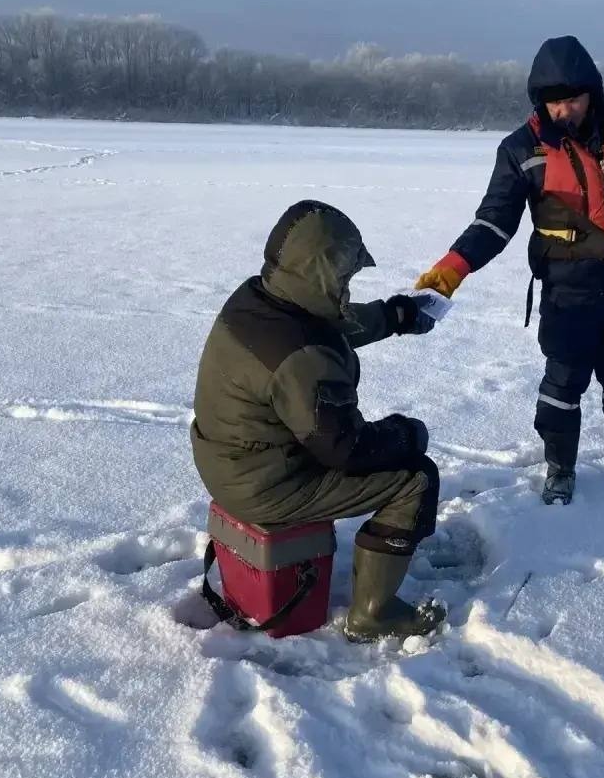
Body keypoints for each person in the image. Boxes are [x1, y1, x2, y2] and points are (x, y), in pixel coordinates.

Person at [416, 35, 604, 505]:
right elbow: (494, 221)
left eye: (573, 99)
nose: (563, 110)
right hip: (567, 285)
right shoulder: (521, 148)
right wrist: (451, 270)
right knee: (563, 382)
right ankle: (560, 470)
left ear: (593, 91)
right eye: (554, 102)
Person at [191, 200, 445, 642]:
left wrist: (393, 315)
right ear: (321, 273)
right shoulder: (302, 357)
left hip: (233, 465)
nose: (347, 288)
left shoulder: (259, 298)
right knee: (416, 479)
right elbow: (346, 450)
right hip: (267, 486)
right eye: (344, 278)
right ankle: (373, 614)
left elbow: (326, 323)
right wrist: (407, 434)